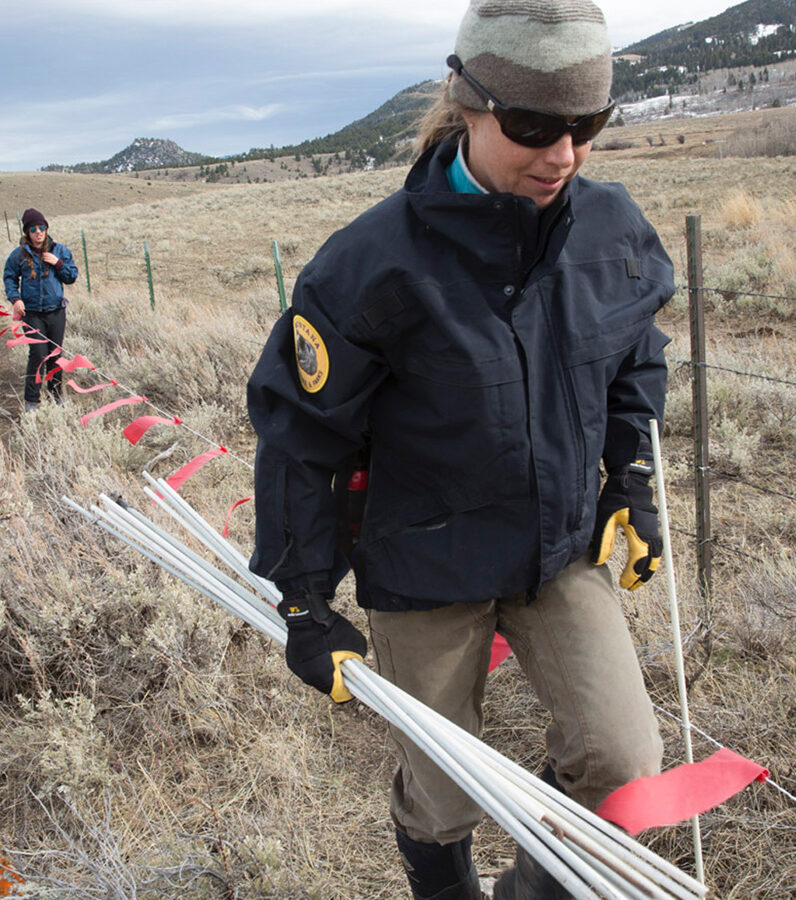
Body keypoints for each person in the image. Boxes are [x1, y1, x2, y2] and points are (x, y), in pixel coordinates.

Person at [247, 1, 673, 897]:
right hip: (425, 564)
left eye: (585, 126)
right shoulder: (370, 266)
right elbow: (300, 437)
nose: (562, 155)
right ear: (469, 101)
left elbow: (637, 354)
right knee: (444, 795)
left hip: (558, 550)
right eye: (532, 126)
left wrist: (629, 475)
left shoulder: (612, 232)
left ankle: (533, 887)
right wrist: (303, 600)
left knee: (626, 759)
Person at [3, 208, 78, 412]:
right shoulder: (19, 254)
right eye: (33, 229)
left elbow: (71, 276)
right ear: (27, 231)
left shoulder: (59, 251)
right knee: (37, 355)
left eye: (42, 227)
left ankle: (56, 397)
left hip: (56, 312)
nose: (38, 232)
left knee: (55, 356)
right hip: (32, 314)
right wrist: (15, 298)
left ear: (46, 229)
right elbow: (9, 277)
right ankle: (31, 402)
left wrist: (58, 263)